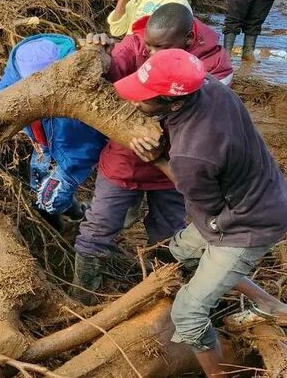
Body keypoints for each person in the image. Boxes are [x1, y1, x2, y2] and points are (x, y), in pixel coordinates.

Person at [113, 48, 287, 377]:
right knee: (181, 251)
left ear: (175, 102)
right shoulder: (206, 83)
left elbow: (204, 206)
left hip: (246, 224)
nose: (135, 102)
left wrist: (158, 160)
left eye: (144, 98)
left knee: (189, 313)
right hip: (265, 190)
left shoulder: (194, 153)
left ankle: (218, 374)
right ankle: (271, 306)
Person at [72, 4, 233, 301]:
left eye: (162, 48)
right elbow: (110, 76)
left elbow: (209, 120)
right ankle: (83, 297)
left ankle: (160, 295)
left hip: (175, 168)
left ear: (187, 39)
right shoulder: (136, 43)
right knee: (99, 227)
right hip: (125, 158)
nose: (152, 53)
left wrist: (161, 141)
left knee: (168, 235)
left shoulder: (213, 64)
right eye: (150, 46)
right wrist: (99, 55)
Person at [0, 35, 106, 228]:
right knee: (37, 185)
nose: (31, 92)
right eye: (27, 84)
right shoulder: (18, 70)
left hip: (71, 153)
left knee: (49, 200)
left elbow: (86, 144)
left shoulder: (76, 98)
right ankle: (71, 212)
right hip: (43, 145)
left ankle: (77, 219)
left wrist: (68, 172)